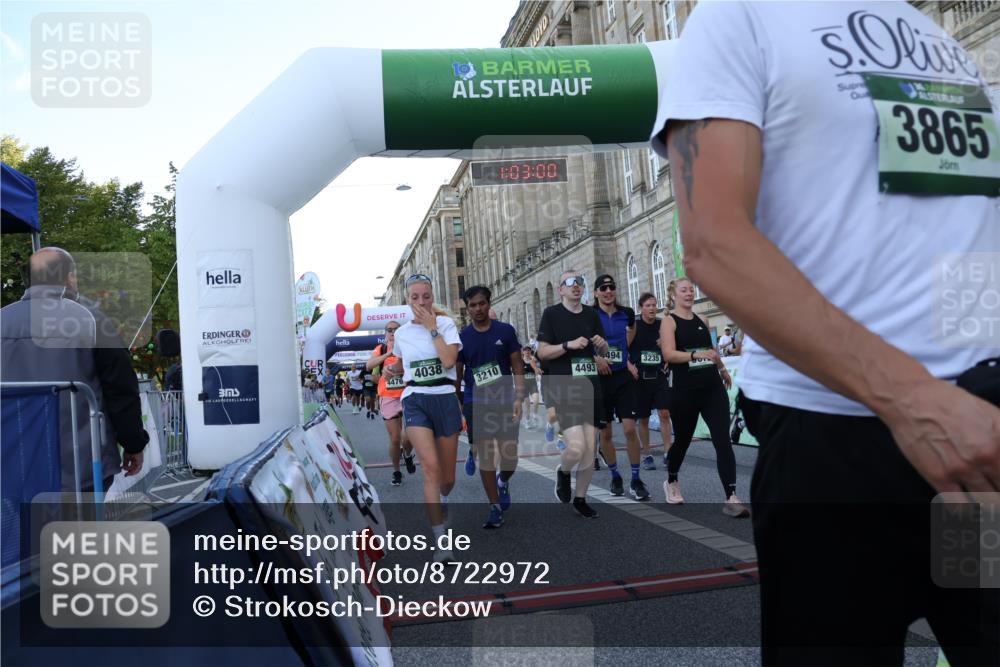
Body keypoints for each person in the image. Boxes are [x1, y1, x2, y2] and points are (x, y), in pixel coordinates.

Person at [652, 2, 1000, 663]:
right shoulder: (736, 18)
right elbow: (714, 245)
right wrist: (916, 401)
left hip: (980, 435)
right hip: (838, 442)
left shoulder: (933, 34)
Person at [0, 247, 148, 493]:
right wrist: (133, 443)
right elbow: (120, 388)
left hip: (15, 463)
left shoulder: (3, 319)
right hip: (82, 465)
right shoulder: (92, 319)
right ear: (68, 277)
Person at [385, 274, 463, 562]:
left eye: (426, 296)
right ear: (407, 300)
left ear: (432, 297)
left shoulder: (446, 325)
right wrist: (394, 369)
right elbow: (404, 361)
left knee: (447, 479)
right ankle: (441, 541)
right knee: (430, 468)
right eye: (415, 297)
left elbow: (448, 361)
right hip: (415, 398)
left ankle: (443, 498)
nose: (421, 302)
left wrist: (432, 329)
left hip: (444, 398)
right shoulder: (402, 333)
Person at [658, 278, 746, 517]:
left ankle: (731, 496)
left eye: (691, 289)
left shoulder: (703, 320)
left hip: (712, 388)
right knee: (683, 440)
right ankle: (671, 480)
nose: (689, 293)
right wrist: (695, 355)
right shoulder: (669, 321)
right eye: (683, 290)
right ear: (674, 295)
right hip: (684, 391)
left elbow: (712, 352)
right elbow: (668, 354)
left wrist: (722, 369)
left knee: (722, 440)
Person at [536, 270, 608, 519]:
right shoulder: (551, 314)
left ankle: (581, 498)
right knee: (576, 447)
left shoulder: (591, 314)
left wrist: (602, 345)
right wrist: (568, 345)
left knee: (590, 448)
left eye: (579, 282)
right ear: (561, 289)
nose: (575, 285)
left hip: (591, 387)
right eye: (570, 282)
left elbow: (603, 351)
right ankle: (564, 471)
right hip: (564, 387)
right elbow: (542, 353)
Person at [455, 286, 524, 528]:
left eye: (481, 303)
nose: (478, 309)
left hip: (505, 399)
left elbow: (517, 366)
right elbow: (457, 376)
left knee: (510, 458)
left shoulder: (505, 331)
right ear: (468, 308)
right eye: (472, 305)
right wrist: (459, 404)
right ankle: (494, 507)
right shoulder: (462, 338)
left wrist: (519, 397)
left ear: (488, 303)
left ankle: (502, 482)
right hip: (476, 401)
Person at [592, 274, 649, 500]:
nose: (608, 291)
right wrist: (596, 358)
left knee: (629, 430)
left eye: (611, 287)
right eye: (603, 288)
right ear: (596, 292)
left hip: (623, 378)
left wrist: (624, 353)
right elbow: (582, 343)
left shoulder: (626, 313)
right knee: (606, 433)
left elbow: (632, 330)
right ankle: (615, 475)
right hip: (601, 380)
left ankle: (636, 479)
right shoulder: (590, 315)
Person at [367, 322, 415, 486]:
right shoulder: (380, 349)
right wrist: (389, 354)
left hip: (408, 394)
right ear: (385, 334)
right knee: (395, 439)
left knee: (409, 436)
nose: (393, 332)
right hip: (388, 396)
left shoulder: (409, 346)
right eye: (390, 330)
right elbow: (369, 365)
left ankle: (407, 455)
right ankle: (396, 471)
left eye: (397, 329)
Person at [629, 292, 672, 470]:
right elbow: (623, 348)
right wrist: (629, 366)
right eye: (648, 305)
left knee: (665, 413)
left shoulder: (662, 325)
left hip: (659, 375)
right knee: (644, 418)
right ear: (641, 308)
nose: (652, 308)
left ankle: (668, 453)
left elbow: (672, 347)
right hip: (640, 378)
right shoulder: (634, 326)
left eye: (654, 305)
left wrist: (668, 358)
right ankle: (647, 454)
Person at [520, 347, 543, 429]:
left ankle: (534, 415)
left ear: (530, 352)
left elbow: (537, 371)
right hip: (524, 385)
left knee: (536, 400)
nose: (527, 352)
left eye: (529, 351)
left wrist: (538, 370)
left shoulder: (533, 361)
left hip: (533, 383)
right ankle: (527, 420)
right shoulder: (520, 362)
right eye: (525, 350)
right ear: (523, 352)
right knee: (527, 405)